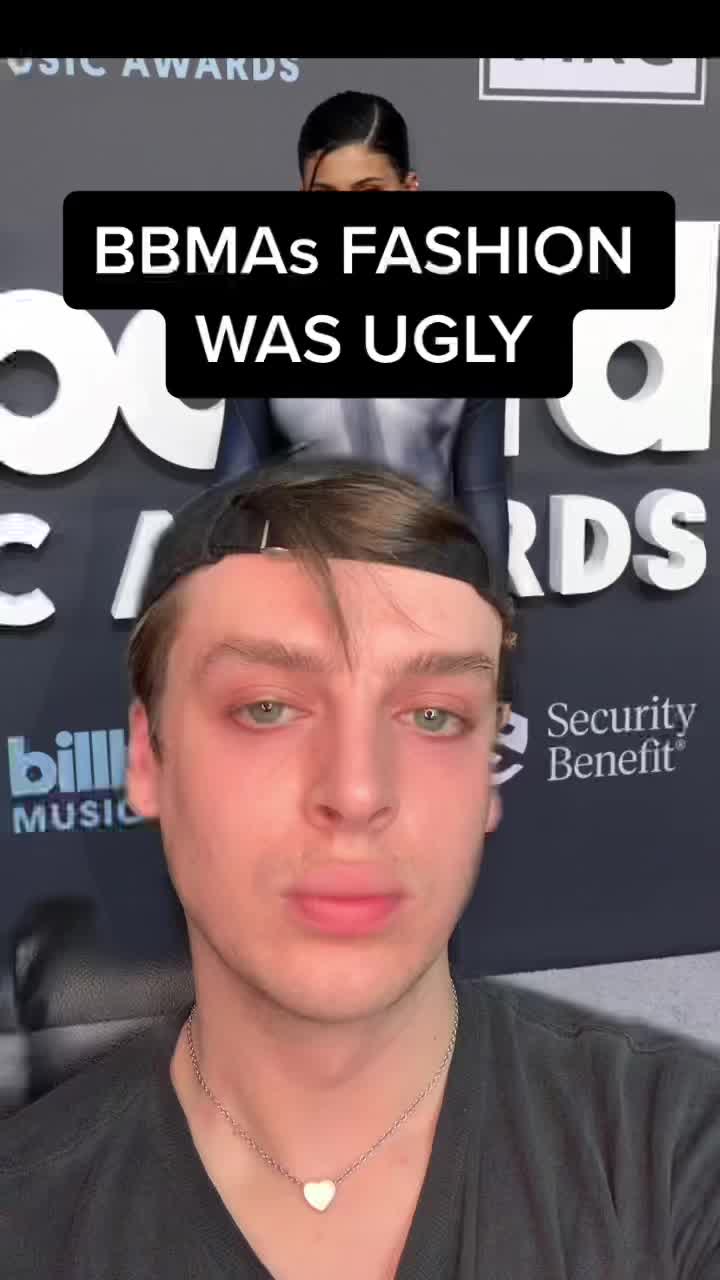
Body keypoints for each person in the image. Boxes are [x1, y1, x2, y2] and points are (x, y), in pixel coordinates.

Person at [2, 455, 720, 1279]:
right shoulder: (25, 1219)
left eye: (433, 716)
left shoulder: (673, 1155)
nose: (356, 792)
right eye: (267, 708)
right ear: (147, 759)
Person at [215, 89, 510, 601]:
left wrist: (495, 613)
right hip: (302, 601)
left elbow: (482, 493)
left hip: (428, 598)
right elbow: (230, 491)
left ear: (409, 190)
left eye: (369, 192)